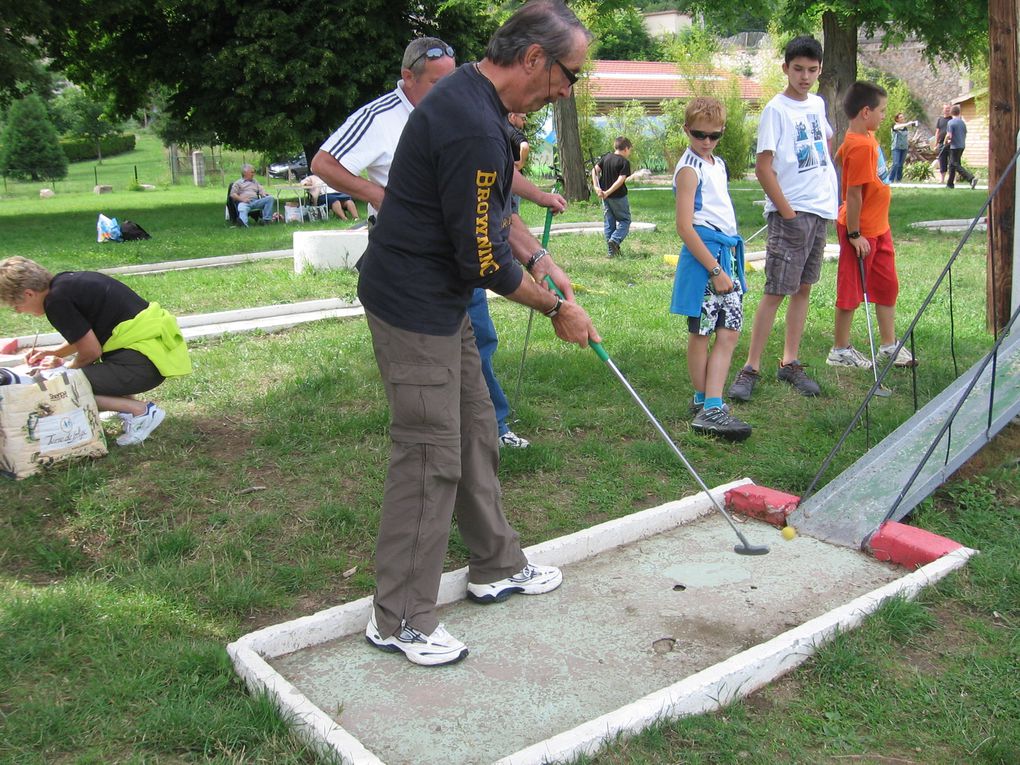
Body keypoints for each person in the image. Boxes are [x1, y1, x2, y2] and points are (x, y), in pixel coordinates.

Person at [356, 0, 600, 666]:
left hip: (442, 299)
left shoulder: (477, 103)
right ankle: (400, 616)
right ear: (533, 59)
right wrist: (556, 310)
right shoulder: (470, 122)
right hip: (413, 305)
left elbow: (490, 215)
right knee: (429, 452)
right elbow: (485, 261)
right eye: (568, 74)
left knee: (475, 429)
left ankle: (494, 562)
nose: (565, 90)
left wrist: (542, 258)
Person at [313, 38, 560, 450]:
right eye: (436, 81)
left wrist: (536, 211)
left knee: (478, 338)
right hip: (411, 259)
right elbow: (324, 163)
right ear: (407, 77)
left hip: (465, 246)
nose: (450, 87)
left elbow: (491, 179)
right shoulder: (381, 116)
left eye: (454, 77)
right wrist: (376, 194)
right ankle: (438, 431)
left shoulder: (467, 112)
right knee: (428, 395)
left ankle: (489, 428)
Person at [727, 35, 838, 403]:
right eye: (798, 69)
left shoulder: (818, 104)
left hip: (818, 212)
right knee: (775, 291)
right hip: (791, 214)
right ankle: (751, 367)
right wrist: (787, 212)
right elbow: (764, 167)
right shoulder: (775, 109)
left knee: (803, 288)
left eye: (811, 70)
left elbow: (824, 146)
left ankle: (789, 361)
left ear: (819, 70)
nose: (804, 77)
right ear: (785, 68)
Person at [0, 257, 191, 446]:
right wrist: (55, 354)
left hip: (142, 366)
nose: (18, 311)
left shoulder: (56, 303)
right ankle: (127, 410)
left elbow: (91, 351)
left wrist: (66, 371)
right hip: (154, 357)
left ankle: (140, 412)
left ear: (28, 294)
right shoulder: (67, 283)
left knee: (63, 387)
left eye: (15, 305)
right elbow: (86, 336)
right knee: (73, 376)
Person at [671, 97, 751, 441]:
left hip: (725, 254)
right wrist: (716, 270)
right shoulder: (689, 169)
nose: (706, 142)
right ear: (687, 131)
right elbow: (685, 226)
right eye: (699, 134)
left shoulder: (717, 164)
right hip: (706, 259)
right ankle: (708, 404)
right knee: (702, 332)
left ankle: (710, 402)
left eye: (714, 135)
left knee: (729, 331)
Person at [827, 81, 917, 372]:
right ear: (866, 112)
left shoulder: (864, 138)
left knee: (887, 286)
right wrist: (854, 234)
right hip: (861, 232)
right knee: (851, 291)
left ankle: (888, 345)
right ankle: (840, 350)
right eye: (881, 111)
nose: (883, 116)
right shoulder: (860, 145)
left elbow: (839, 158)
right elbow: (853, 193)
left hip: (880, 228)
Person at [592, 136, 633, 257]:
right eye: (630, 150)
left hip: (605, 197)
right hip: (618, 197)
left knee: (609, 223)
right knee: (625, 221)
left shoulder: (606, 158)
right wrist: (607, 191)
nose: (629, 153)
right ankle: (615, 240)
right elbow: (620, 181)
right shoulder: (624, 162)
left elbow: (594, 171)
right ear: (625, 149)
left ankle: (611, 253)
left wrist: (596, 187)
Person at [945, 104, 978, 190]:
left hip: (954, 146)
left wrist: (945, 142)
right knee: (953, 165)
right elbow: (964, 133)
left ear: (951, 112)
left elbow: (949, 136)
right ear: (959, 112)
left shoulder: (950, 122)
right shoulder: (962, 122)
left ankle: (970, 178)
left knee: (954, 164)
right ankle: (950, 184)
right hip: (962, 145)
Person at [507, 111, 530, 215]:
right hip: (513, 183)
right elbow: (524, 146)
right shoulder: (513, 132)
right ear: (513, 116)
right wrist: (521, 163)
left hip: (501, 182)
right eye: (523, 118)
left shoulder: (499, 130)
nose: (524, 122)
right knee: (513, 216)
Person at [888, 112, 917, 183]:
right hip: (896, 148)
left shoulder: (905, 128)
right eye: (900, 117)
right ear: (897, 119)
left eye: (903, 117)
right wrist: (907, 124)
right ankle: (890, 179)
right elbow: (896, 128)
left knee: (901, 164)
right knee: (895, 163)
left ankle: (898, 180)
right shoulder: (895, 126)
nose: (902, 118)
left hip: (904, 148)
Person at [933, 103, 952, 184]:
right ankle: (942, 179)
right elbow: (937, 132)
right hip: (941, 144)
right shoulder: (940, 119)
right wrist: (936, 144)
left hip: (951, 144)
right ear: (943, 110)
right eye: (945, 109)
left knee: (951, 162)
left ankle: (951, 179)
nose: (947, 110)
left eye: (948, 109)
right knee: (942, 161)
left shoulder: (952, 119)